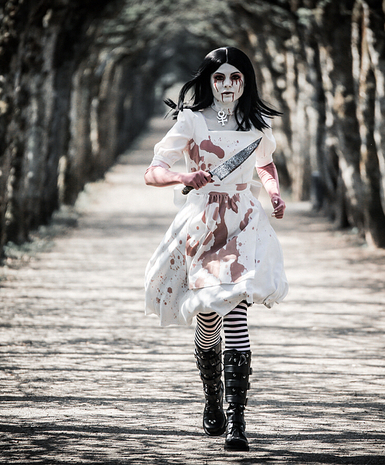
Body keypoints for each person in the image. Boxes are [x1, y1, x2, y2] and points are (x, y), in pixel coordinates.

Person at [144, 46, 288, 452]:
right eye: (219, 77)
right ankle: (212, 395)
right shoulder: (191, 120)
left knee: (237, 305)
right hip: (204, 223)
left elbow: (265, 162)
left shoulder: (256, 121)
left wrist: (273, 192)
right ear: (209, 81)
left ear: (246, 81)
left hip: (244, 221)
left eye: (235, 77)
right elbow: (153, 172)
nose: (227, 85)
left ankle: (237, 420)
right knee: (207, 317)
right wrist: (183, 176)